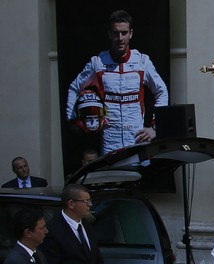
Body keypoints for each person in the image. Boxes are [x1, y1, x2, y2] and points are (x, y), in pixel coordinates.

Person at [66, 10, 168, 155]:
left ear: (131, 34)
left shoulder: (142, 61)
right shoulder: (98, 63)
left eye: (124, 33)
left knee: (138, 177)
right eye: (116, 33)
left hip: (137, 139)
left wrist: (155, 128)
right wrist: (72, 120)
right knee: (112, 177)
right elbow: (74, 88)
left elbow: (161, 91)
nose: (120, 38)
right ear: (109, 34)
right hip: (109, 140)